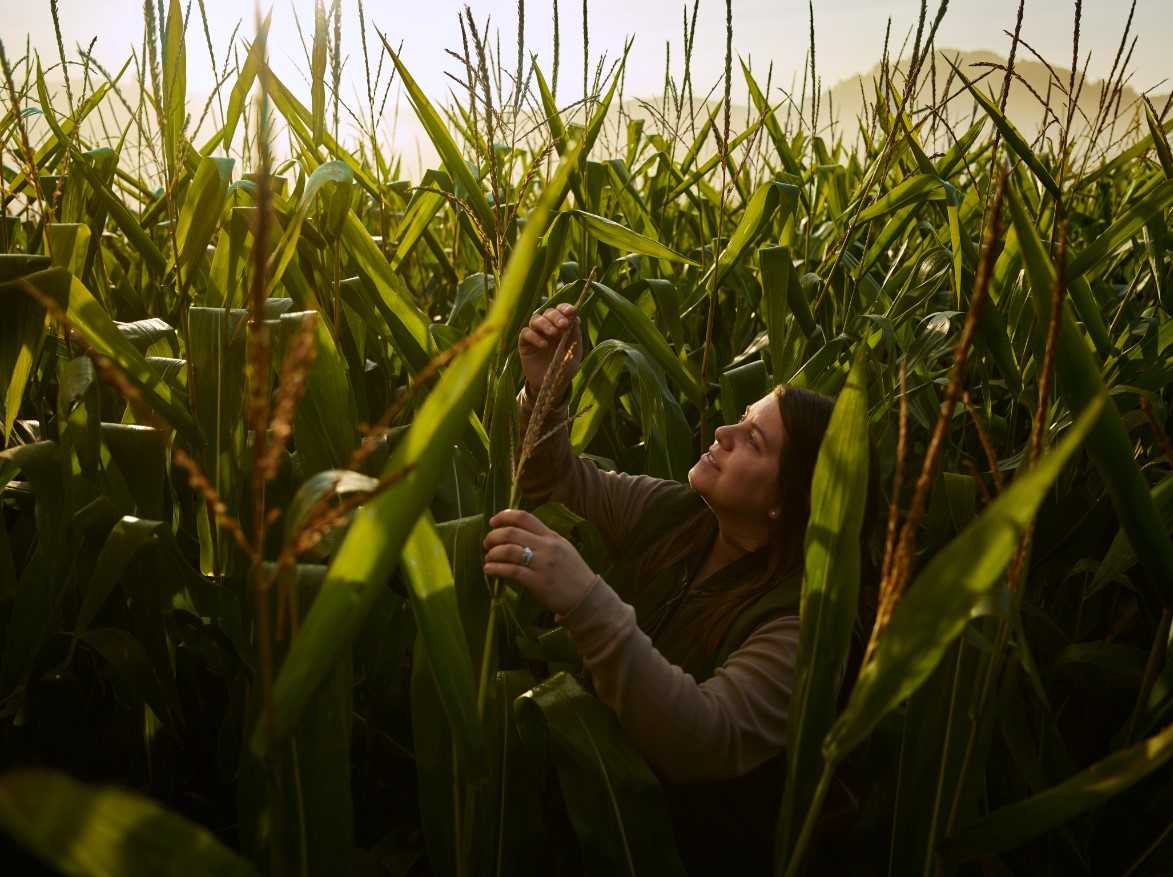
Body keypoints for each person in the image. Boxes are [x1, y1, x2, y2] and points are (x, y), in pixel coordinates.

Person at [482, 303, 880, 874]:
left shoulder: (801, 625)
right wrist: (547, 394)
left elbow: (704, 736)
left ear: (785, 503)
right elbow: (555, 482)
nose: (723, 432)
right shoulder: (679, 513)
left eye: (753, 441)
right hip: (584, 817)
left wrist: (584, 598)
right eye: (741, 418)